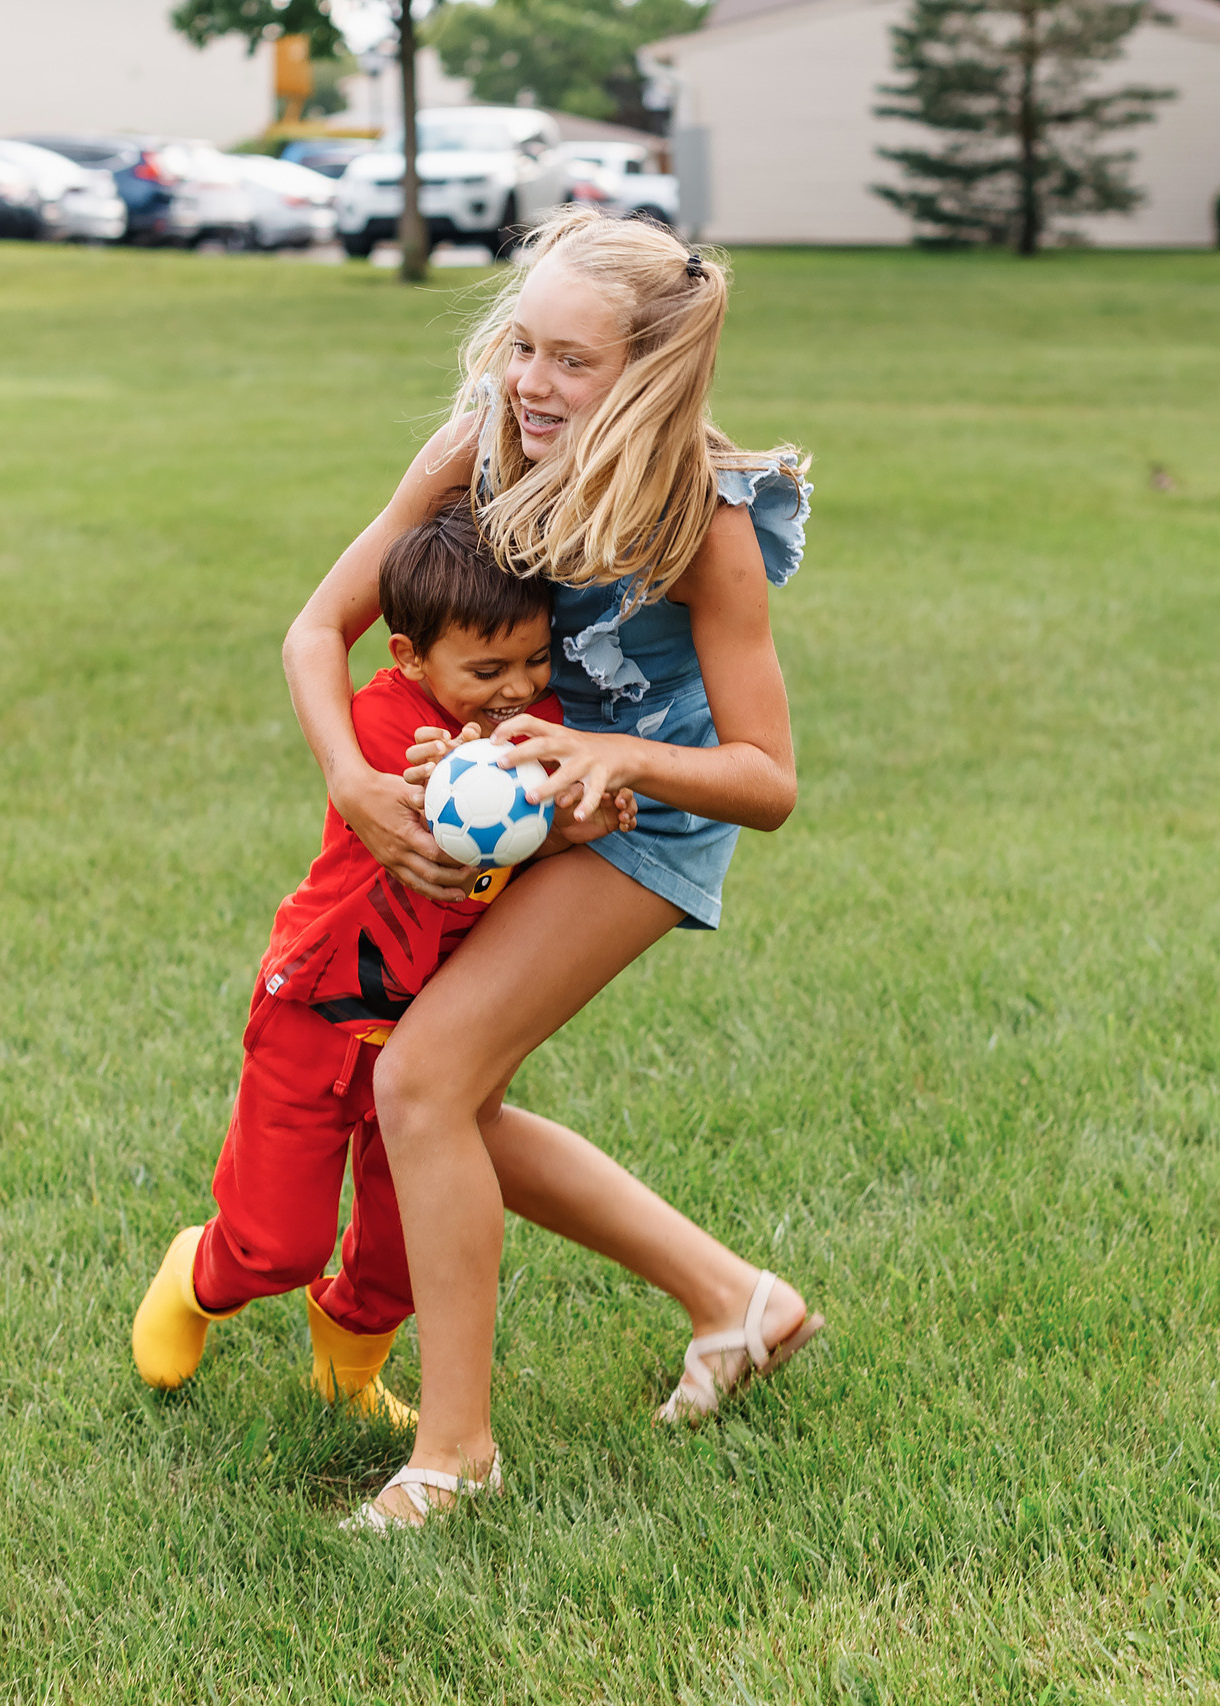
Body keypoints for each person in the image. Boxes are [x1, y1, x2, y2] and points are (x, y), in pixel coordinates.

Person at [282, 208, 821, 1532]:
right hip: (523, 815)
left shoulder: (707, 521)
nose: (531, 382)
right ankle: (736, 1301)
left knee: (418, 1081)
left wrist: (607, 752)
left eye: (571, 361)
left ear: (649, 374)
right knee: (449, 1102)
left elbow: (768, 780)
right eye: (524, 344)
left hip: (643, 817)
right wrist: (352, 779)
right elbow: (316, 626)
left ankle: (454, 1456)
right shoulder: (479, 443)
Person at [130, 499, 635, 1425]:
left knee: (406, 1242)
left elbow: (509, 846)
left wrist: (576, 825)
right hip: (321, 1010)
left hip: (428, 1026)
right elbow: (438, 807)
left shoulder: (532, 725)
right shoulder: (384, 722)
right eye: (485, 670)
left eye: (534, 660)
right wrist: (452, 768)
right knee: (277, 1245)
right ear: (409, 657)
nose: (518, 688)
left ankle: (349, 1368)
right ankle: (197, 1273)